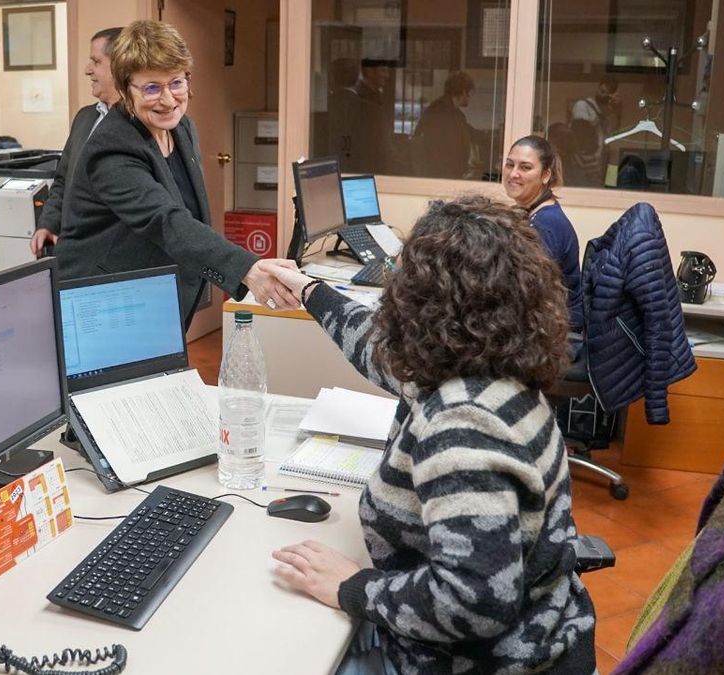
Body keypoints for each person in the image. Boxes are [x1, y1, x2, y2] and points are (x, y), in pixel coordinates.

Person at [267, 195, 596, 674]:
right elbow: (373, 347)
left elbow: (475, 601)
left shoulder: (462, 423)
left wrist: (353, 587)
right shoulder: (486, 364)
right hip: (539, 633)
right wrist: (309, 290)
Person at [55, 20, 298, 329]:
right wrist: (248, 268)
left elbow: (190, 215)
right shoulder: (112, 148)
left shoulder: (181, 127)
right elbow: (166, 220)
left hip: (156, 293)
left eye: (176, 83)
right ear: (125, 90)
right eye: (151, 88)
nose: (168, 100)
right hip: (104, 303)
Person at [30, 26, 123, 257]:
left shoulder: (141, 124)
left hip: (117, 258)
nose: (87, 70)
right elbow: (62, 180)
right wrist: (48, 223)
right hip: (75, 252)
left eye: (96, 61)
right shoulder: (85, 118)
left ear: (121, 65)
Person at [503, 135, 584, 332]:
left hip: (556, 336)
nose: (513, 174)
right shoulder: (530, 212)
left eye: (525, 167)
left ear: (546, 176)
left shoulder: (546, 224)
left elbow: (528, 294)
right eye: (509, 164)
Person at [412, 71, 476, 178]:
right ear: (463, 92)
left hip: (448, 176)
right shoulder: (438, 112)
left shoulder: (455, 113)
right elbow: (435, 151)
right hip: (441, 178)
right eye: (470, 93)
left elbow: (470, 132)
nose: (470, 98)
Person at [568, 76, 619, 187]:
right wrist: (600, 117)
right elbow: (582, 131)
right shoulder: (582, 105)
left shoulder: (607, 112)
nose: (603, 95)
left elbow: (611, 133)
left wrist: (612, 111)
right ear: (598, 88)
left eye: (607, 94)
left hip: (599, 162)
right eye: (602, 91)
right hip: (582, 161)